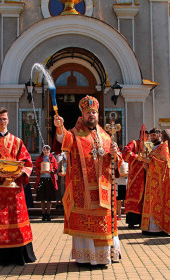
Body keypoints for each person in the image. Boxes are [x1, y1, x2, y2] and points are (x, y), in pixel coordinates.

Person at [53, 95, 122, 266]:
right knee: (84, 221)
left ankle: (105, 256)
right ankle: (85, 257)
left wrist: (115, 155)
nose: (91, 115)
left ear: (98, 115)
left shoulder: (106, 136)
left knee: (104, 221)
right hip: (82, 190)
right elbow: (63, 140)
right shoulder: (75, 134)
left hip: (103, 190)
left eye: (94, 112)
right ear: (82, 115)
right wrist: (59, 127)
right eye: (88, 113)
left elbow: (116, 161)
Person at [0, 107, 36, 266]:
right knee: (0, 221)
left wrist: (20, 172)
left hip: (16, 188)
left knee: (17, 219)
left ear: (8, 120)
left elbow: (27, 162)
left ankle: (21, 255)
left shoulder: (17, 141)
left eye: (4, 119)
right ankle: (2, 256)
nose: (2, 122)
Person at [138, 128, 170, 236]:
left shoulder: (163, 146)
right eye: (151, 135)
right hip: (151, 179)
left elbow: (161, 162)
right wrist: (145, 164)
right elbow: (150, 161)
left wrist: (147, 160)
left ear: (159, 135)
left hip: (161, 181)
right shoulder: (151, 147)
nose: (152, 137)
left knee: (158, 202)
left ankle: (160, 228)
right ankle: (149, 228)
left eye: (154, 135)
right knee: (150, 202)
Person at [123, 129, 150, 229]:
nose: (146, 138)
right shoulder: (134, 143)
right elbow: (126, 152)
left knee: (144, 198)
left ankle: (142, 221)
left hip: (146, 174)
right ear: (141, 136)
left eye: (148, 137)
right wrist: (137, 157)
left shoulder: (149, 146)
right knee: (134, 195)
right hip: (135, 175)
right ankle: (132, 221)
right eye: (145, 136)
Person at [35, 145, 58, 221]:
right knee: (42, 198)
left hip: (50, 179)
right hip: (41, 179)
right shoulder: (39, 158)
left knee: (49, 198)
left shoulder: (52, 158)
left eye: (47, 150)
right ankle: (43, 214)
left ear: (49, 150)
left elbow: (55, 168)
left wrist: (52, 171)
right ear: (42, 150)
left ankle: (48, 214)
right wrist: (39, 171)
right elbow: (36, 169)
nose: (46, 151)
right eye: (44, 150)